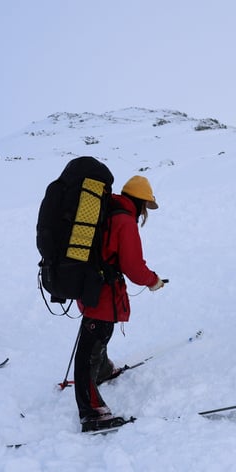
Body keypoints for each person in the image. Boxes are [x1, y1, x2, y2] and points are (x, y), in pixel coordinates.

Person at [74, 175, 165, 432]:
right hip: (102, 292)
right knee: (91, 346)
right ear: (138, 201)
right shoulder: (124, 220)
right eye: (145, 205)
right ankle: (91, 412)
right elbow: (134, 266)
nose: (145, 211)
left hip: (92, 287)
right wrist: (153, 280)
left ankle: (102, 370)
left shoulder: (109, 211)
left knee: (99, 334)